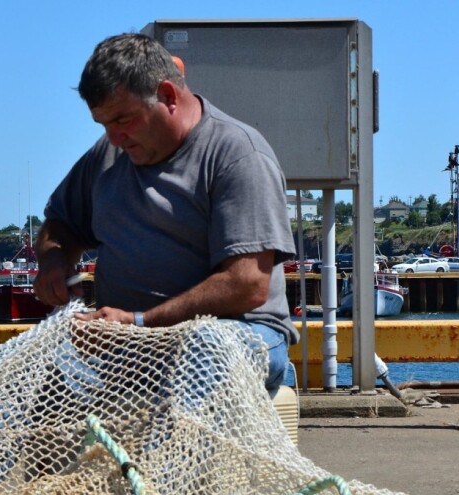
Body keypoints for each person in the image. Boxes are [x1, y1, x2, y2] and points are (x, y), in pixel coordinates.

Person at [33, 33, 296, 394]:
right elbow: (60, 224)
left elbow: (246, 284)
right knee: (37, 376)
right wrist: (53, 260)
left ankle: (167, 450)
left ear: (168, 96)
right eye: (104, 125)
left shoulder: (237, 154)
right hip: (131, 341)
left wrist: (140, 323)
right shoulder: (108, 157)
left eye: (123, 119)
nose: (114, 137)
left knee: (205, 347)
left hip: (240, 334)